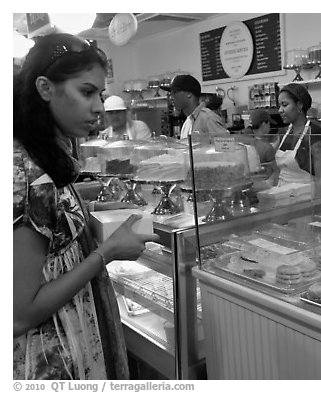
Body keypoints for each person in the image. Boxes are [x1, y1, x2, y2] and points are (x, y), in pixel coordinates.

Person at [13, 33, 160, 379]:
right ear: (45, 88)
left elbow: (49, 236)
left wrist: (86, 210)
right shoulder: (27, 173)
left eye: (101, 94)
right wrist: (105, 253)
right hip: (54, 361)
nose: (98, 107)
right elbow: (19, 312)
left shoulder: (47, 153)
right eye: (87, 92)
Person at [273, 83, 321, 198]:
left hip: (305, 198)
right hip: (282, 196)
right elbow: (277, 172)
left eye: (285, 105)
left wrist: (320, 208)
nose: (280, 110)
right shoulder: (283, 133)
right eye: (279, 106)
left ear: (299, 105)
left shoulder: (314, 132)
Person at [160, 74, 228, 139]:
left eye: (174, 92)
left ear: (189, 94)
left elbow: (227, 148)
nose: (171, 98)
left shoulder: (208, 119)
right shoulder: (187, 123)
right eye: (170, 94)